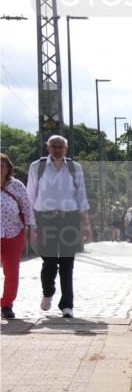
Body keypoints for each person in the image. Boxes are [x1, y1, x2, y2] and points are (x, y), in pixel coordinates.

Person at [26, 135, 90, 318]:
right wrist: (30, 225)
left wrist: (85, 223)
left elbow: (81, 196)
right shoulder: (36, 167)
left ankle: (67, 304)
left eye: (60, 146)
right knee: (49, 262)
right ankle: (48, 292)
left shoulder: (74, 168)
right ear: (48, 148)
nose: (57, 149)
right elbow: (30, 197)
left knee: (68, 263)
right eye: (53, 146)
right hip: (44, 218)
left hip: (69, 218)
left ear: (66, 148)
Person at [1, 153, 36, 319]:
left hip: (13, 232)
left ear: (8, 168)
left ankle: (7, 304)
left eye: (2, 166)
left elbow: (27, 207)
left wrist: (31, 228)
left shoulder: (16, 186)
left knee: (12, 271)